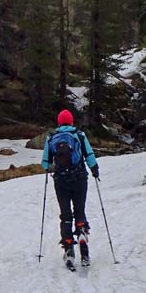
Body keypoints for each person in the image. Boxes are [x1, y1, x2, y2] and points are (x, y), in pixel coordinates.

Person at [41, 109, 99, 267]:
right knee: (79, 211)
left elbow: (45, 163)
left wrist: (50, 168)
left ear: (59, 122)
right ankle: (82, 239)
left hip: (61, 181)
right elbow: (89, 155)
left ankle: (68, 250)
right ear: (71, 121)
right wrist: (94, 170)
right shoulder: (79, 135)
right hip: (79, 178)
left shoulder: (51, 137)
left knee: (66, 215)